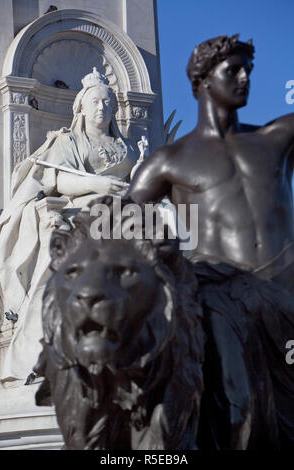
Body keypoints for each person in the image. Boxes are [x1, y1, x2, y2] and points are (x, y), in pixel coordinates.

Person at [128, 35, 294, 448]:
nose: (245, 78)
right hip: (220, 298)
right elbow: (118, 227)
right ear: (202, 79)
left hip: (287, 292)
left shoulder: (278, 138)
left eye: (248, 71)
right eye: (233, 70)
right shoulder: (168, 161)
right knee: (239, 408)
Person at [0, 68, 137, 382]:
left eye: (107, 102)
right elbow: (56, 177)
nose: (102, 107)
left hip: (124, 212)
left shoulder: (125, 147)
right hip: (79, 211)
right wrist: (99, 186)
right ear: (82, 107)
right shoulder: (68, 140)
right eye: (96, 102)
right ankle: (39, 351)